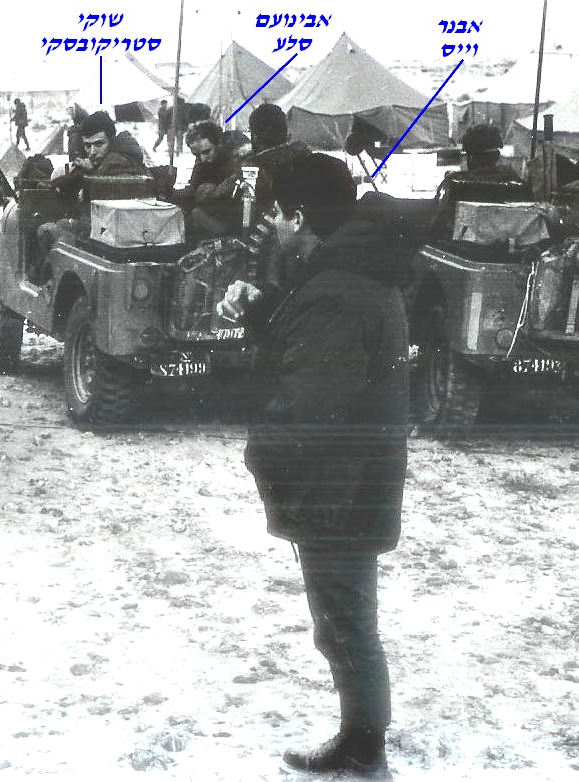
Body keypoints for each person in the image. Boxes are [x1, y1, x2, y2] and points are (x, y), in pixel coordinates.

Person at [217, 153, 408, 780]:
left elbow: (310, 403)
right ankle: (361, 740)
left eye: (275, 214)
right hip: (350, 479)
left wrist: (260, 451)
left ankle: (365, 751)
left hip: (338, 486)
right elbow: (317, 352)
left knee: (345, 620)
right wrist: (262, 310)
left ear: (299, 216)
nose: (270, 226)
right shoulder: (346, 271)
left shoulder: (338, 291)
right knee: (344, 618)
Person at [50, 110, 149, 201]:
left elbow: (111, 193)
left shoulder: (121, 163)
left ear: (112, 142)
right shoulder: (107, 163)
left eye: (98, 144)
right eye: (88, 146)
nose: (92, 152)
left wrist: (91, 173)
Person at [168, 120, 242, 239]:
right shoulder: (203, 164)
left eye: (207, 152)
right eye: (197, 155)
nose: (202, 159)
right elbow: (192, 190)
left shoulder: (234, 163)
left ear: (219, 144)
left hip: (230, 227)